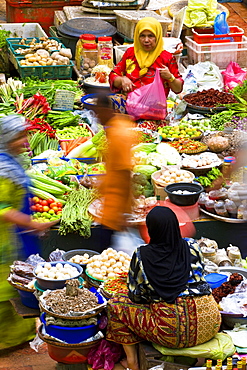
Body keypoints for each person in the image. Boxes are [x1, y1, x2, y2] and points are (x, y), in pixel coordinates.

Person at [106, 206, 221, 370]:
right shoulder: (192, 246)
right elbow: (200, 275)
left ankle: (132, 362)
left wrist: (154, 293)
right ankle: (200, 361)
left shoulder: (141, 255)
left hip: (170, 333)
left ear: (151, 229)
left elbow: (135, 295)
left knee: (116, 304)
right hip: (209, 324)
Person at [0, 114, 57, 350]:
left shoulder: (11, 161)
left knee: (18, 284)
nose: (24, 142)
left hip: (18, 236)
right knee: (6, 290)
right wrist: (33, 224)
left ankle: (18, 338)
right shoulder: (2, 169)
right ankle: (6, 342)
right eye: (19, 136)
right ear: (6, 138)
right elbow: (3, 209)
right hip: (5, 241)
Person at [108, 17, 184, 129]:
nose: (146, 40)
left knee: (144, 130)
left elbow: (178, 89)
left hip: (153, 110)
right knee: (105, 107)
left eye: (151, 36)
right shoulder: (130, 53)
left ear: (157, 37)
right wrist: (122, 79)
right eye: (142, 36)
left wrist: (170, 78)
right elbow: (113, 75)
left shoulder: (166, 58)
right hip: (130, 105)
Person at [94, 94, 137, 251]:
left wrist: (124, 211)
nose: (97, 118)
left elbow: (125, 173)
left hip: (114, 208)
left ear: (105, 110)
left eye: (98, 113)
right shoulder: (118, 125)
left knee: (107, 252)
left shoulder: (118, 134)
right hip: (111, 204)